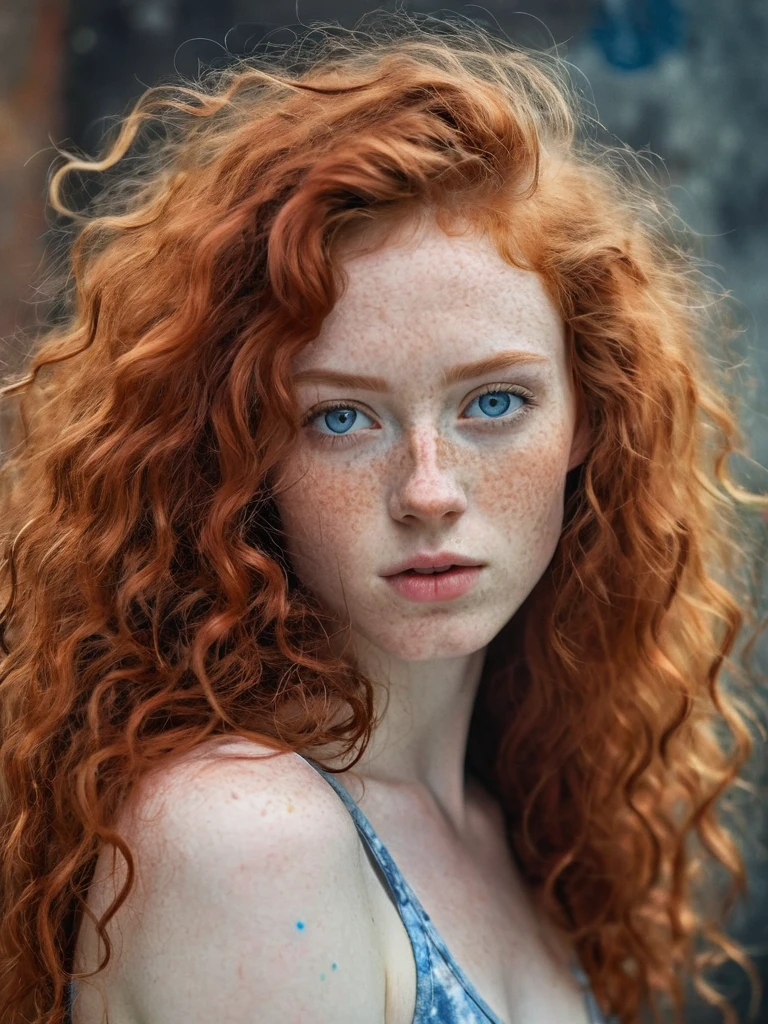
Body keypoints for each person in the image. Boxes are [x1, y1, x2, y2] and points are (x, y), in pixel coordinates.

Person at [0, 11, 764, 1024]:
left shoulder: (510, 816)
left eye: (494, 402)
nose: (430, 488)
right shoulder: (249, 837)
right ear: (241, 450)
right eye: (343, 416)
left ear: (591, 416)